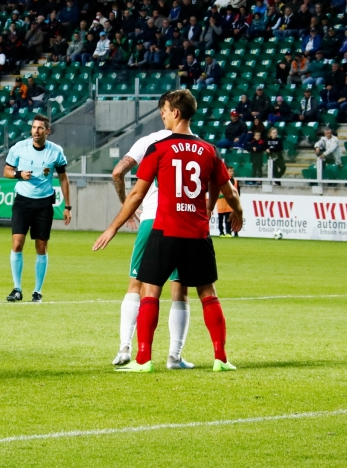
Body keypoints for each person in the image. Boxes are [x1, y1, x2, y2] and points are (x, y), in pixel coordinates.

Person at [93, 89, 243, 373]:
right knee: (207, 293)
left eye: (164, 111)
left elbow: (137, 194)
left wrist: (113, 227)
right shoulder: (209, 150)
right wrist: (239, 213)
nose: (162, 115)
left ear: (175, 112)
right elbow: (230, 192)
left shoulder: (158, 147)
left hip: (165, 230)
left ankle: (143, 360)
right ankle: (220, 358)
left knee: (150, 291)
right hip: (197, 234)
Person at [108, 103, 195, 370]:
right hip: (182, 222)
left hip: (151, 219)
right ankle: (174, 357)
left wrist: (126, 204)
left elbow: (117, 172)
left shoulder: (149, 141)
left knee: (137, 284)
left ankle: (125, 348)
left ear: (171, 112)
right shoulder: (196, 144)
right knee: (179, 289)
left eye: (163, 112)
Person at [3, 114, 71, 303]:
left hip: (44, 204)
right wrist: (19, 174)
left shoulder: (56, 152)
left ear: (47, 131)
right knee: (17, 243)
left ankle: (37, 291)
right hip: (22, 202)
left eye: (40, 128)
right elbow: (6, 171)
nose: (36, 131)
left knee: (41, 247)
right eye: (34, 127)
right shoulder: (19, 148)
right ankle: (17, 289)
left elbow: (63, 178)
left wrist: (68, 206)